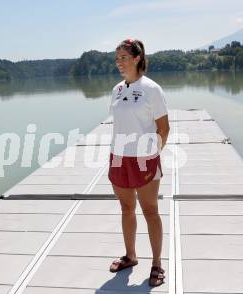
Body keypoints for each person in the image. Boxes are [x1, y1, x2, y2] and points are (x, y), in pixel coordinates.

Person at [107, 39, 170, 287]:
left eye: (123, 57)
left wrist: (151, 155)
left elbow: (164, 129)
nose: (119, 62)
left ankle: (156, 263)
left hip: (144, 160)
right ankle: (131, 256)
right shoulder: (116, 90)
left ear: (137, 58)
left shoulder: (152, 89)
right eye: (117, 58)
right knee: (126, 208)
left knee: (150, 211)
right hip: (119, 158)